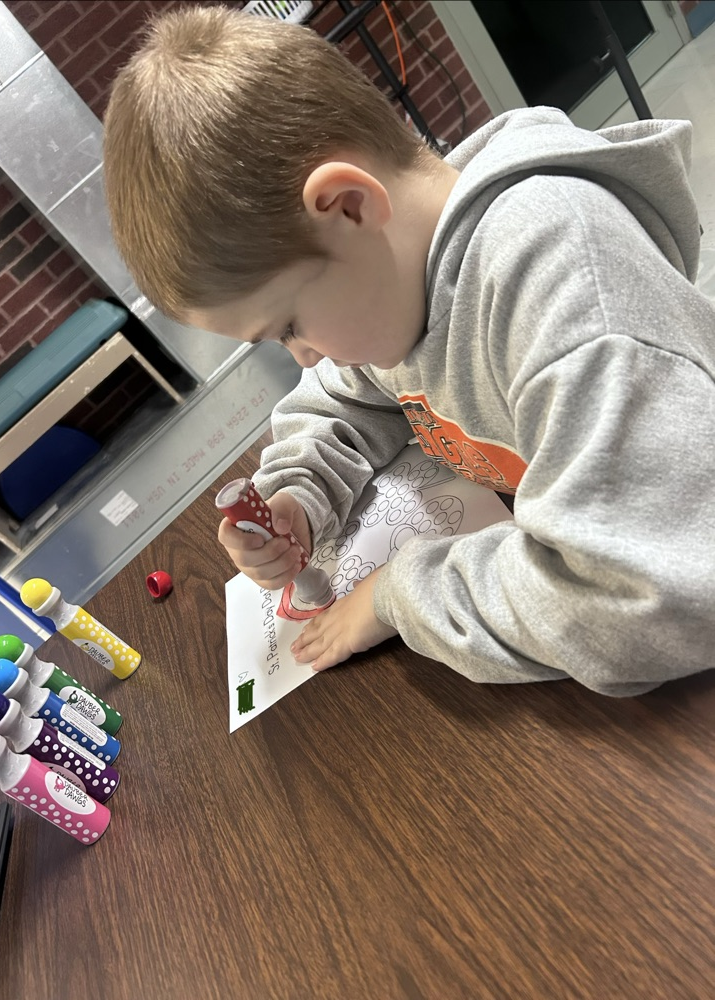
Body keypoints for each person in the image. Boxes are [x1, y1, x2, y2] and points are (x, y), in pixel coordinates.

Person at [103, 5, 715, 696]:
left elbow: (646, 601)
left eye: (289, 326)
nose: (304, 356)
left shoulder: (560, 282)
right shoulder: (393, 278)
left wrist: (398, 596)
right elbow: (341, 392)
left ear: (348, 206)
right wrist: (299, 496)